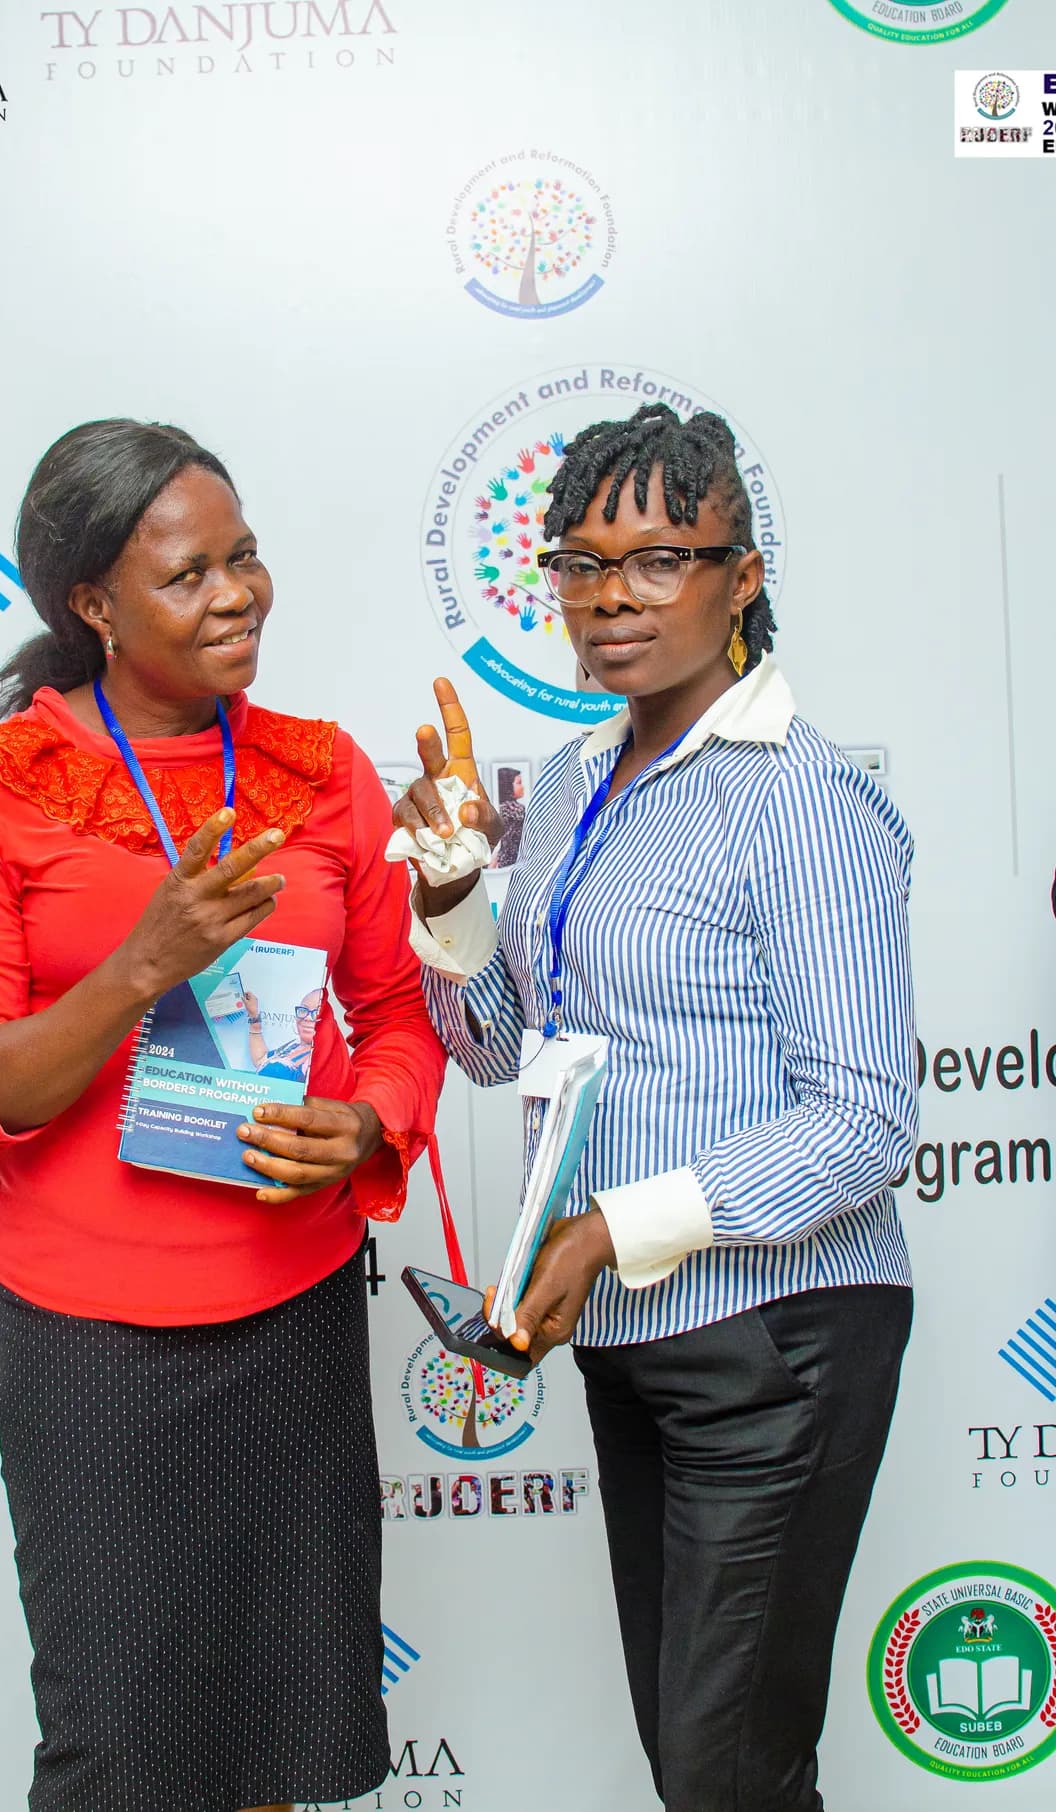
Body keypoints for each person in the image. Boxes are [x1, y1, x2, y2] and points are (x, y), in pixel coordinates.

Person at [0, 419, 446, 1812]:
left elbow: (398, 1017)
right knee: (123, 1755)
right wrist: (141, 964)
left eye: (246, 559)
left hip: (291, 1314)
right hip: (91, 1347)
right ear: (91, 604)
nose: (237, 595)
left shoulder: (321, 770)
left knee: (276, 1737)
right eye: (188, 574)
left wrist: (374, 1126)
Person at [393, 403, 917, 1812]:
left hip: (780, 1335)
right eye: (577, 563)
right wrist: (451, 903)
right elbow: (502, 1050)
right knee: (703, 1769)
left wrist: (607, 1229)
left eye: (659, 560)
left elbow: (863, 1123)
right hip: (634, 1333)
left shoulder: (800, 799)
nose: (608, 599)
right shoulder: (570, 785)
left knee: (725, 1771)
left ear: (741, 578)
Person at [245, 985, 324, 1079]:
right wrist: (254, 1016)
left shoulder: (321, 1061)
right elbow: (260, 1060)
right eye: (303, 1010)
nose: (307, 1017)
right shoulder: (292, 1046)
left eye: (317, 1012)